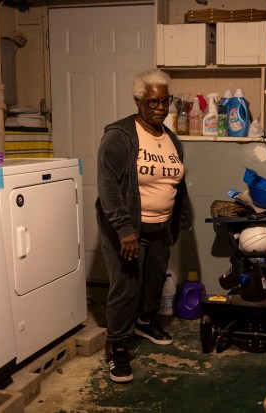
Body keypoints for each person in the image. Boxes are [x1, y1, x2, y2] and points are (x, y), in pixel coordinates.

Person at [95, 68, 191, 383]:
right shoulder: (120, 135)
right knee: (126, 289)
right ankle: (118, 348)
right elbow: (108, 187)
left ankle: (146, 322)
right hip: (128, 229)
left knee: (151, 285)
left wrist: (179, 222)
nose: (161, 108)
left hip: (160, 227)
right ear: (138, 100)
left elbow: (178, 183)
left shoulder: (171, 138)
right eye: (153, 102)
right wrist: (125, 230)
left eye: (166, 101)